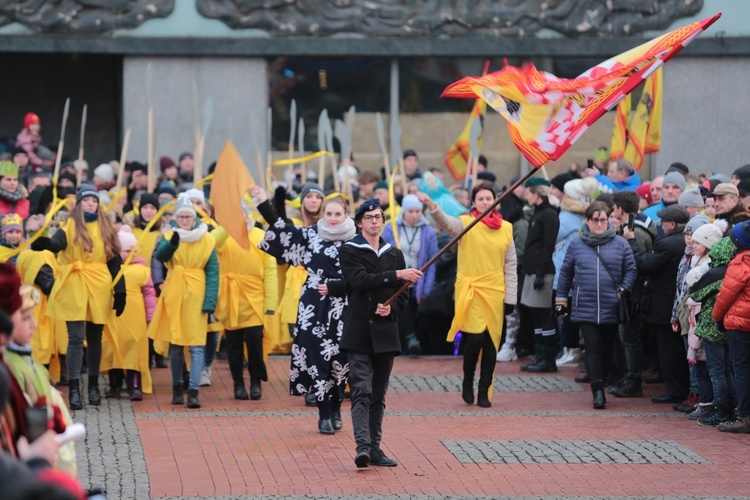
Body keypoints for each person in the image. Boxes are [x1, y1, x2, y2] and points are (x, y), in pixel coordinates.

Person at [255, 185, 356, 434]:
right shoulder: (311, 234)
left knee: (341, 359)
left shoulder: (356, 240)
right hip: (313, 304)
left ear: (346, 215)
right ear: (322, 214)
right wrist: (264, 204)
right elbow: (282, 231)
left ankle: (336, 407)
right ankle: (323, 414)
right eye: (328, 214)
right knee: (315, 356)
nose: (332, 219)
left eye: (337, 214)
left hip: (345, 305)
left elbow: (366, 274)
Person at [419, 182, 517, 407]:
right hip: (471, 291)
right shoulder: (465, 224)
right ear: (473, 202)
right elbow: (446, 223)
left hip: (494, 291)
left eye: (488, 198)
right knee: (475, 339)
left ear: (495, 201)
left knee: (492, 343)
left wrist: (510, 298)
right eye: (480, 199)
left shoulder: (507, 229)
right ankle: (467, 379)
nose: (485, 202)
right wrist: (433, 205)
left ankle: (484, 390)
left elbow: (511, 265)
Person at [30, 184, 126, 410]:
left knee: (95, 337)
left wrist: (120, 289)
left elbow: (115, 262)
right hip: (74, 284)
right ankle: (74, 388)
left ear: (98, 204)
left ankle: (92, 385)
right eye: (86, 200)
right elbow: (57, 244)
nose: (90, 204)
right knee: (75, 337)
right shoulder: (69, 226)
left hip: (99, 285)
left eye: (94, 200)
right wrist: (45, 242)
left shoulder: (107, 229)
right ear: (79, 204)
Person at [339, 198, 419, 468]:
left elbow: (404, 293)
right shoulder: (349, 250)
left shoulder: (394, 253)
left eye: (378, 217)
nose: (375, 221)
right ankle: (362, 446)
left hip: (385, 332)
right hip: (359, 331)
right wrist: (396, 275)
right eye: (369, 217)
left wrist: (392, 309)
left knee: (378, 394)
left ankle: (375, 448)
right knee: (361, 389)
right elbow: (360, 281)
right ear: (359, 222)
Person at [555, 201, 637, 409]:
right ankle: (597, 391)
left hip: (611, 305)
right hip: (585, 305)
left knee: (607, 349)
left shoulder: (620, 244)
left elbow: (631, 270)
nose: (599, 224)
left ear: (609, 219)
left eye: (603, 219)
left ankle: (603, 381)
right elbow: (566, 272)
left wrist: (623, 289)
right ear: (587, 221)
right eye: (595, 220)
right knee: (592, 347)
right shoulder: (577, 243)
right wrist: (561, 299)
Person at [148, 193, 218, 409]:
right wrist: (172, 244)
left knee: (197, 345)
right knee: (176, 345)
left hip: (196, 295)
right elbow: (159, 256)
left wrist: (210, 301)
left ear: (194, 217)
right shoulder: (169, 235)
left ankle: (193, 391)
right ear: (176, 218)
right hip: (175, 293)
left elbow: (213, 271)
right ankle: (177, 387)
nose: (185, 220)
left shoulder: (206, 238)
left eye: (188, 217)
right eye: (181, 217)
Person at [624, 203, 690, 404]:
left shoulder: (667, 244)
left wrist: (633, 242)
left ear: (671, 224)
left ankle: (675, 390)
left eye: (663, 221)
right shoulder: (681, 242)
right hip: (675, 303)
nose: (661, 224)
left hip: (664, 305)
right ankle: (679, 388)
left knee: (669, 350)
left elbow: (643, 264)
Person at [212, 207, 278, 401]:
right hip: (231, 298)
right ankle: (238, 383)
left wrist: (271, 302)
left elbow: (271, 271)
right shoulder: (224, 235)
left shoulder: (261, 236)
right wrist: (228, 224)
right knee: (233, 344)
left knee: (254, 340)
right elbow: (212, 243)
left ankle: (256, 379)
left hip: (255, 298)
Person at [102, 227, 157, 401]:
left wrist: (150, 315)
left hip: (135, 317)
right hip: (115, 315)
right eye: (127, 250)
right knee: (113, 347)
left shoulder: (141, 270)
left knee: (134, 347)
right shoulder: (110, 269)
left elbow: (149, 293)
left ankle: (134, 385)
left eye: (134, 250)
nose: (131, 254)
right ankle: (114, 384)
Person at [381, 194, 438, 355]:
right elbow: (382, 252)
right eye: (410, 211)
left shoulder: (428, 232)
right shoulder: (391, 228)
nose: (414, 215)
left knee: (413, 314)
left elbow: (432, 261)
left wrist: (427, 288)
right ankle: (410, 340)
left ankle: (410, 344)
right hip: (397, 279)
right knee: (401, 311)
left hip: (418, 281)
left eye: (417, 211)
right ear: (404, 211)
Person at [712, 221, 750, 433]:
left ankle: (744, 416)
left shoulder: (740, 262)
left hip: (739, 322)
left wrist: (717, 318)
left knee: (741, 369)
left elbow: (725, 296)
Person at [520, 177, 560, 372]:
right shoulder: (537, 213)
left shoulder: (549, 215)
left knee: (545, 316)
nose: (526, 195)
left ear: (536, 194)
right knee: (536, 316)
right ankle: (539, 356)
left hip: (541, 272)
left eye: (528, 192)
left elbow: (548, 246)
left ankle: (549, 359)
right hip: (532, 271)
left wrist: (540, 273)